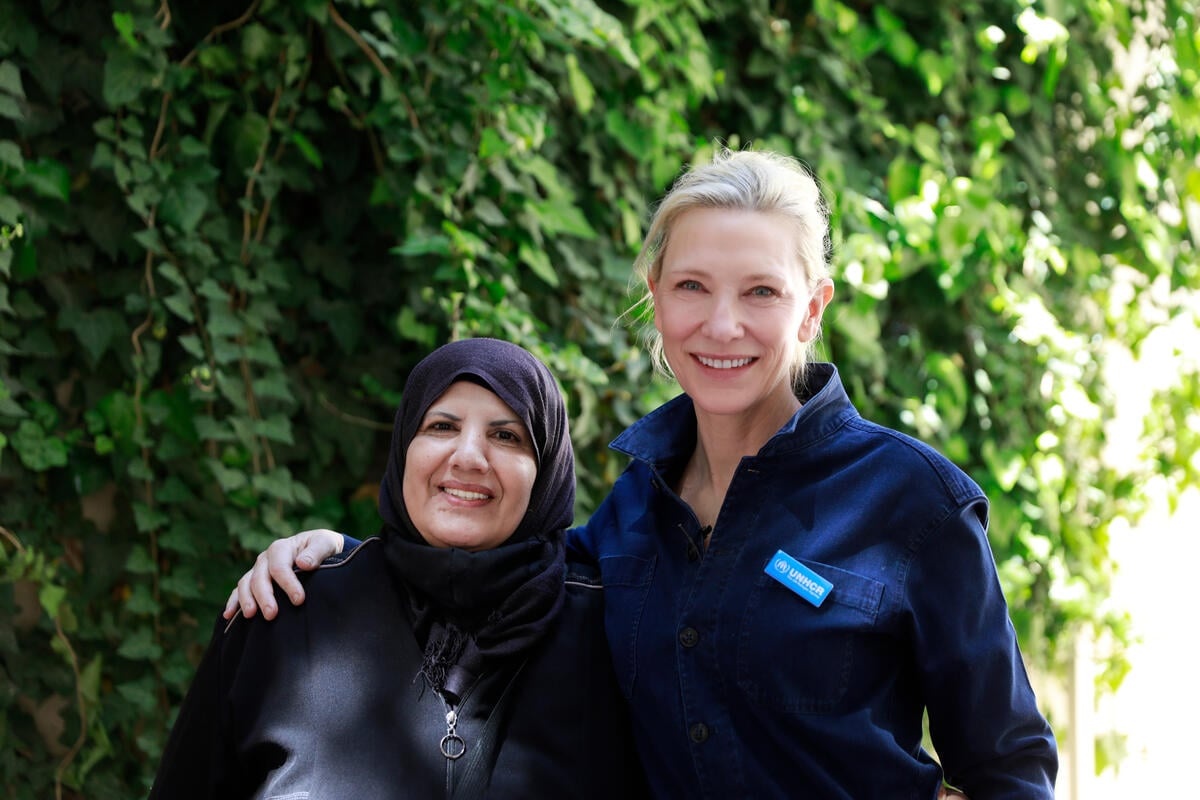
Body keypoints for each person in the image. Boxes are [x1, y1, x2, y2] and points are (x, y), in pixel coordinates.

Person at [228, 148, 1058, 798]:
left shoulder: (913, 503)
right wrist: (338, 557)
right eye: (692, 286)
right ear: (656, 298)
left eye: (761, 292)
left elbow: (1011, 766)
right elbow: (492, 580)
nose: (722, 324)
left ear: (812, 306)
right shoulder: (627, 517)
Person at [152, 338, 649, 799]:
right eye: (442, 426)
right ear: (403, 447)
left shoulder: (613, 636)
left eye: (507, 435)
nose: (469, 456)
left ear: (547, 472)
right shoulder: (286, 613)